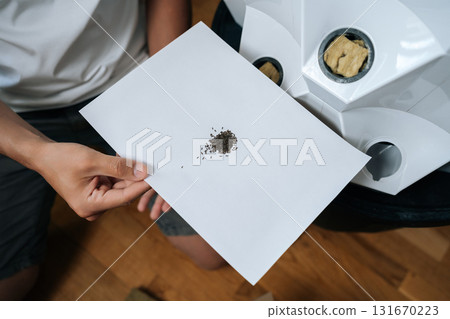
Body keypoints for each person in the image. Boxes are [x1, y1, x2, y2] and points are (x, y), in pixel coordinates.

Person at [0, 0, 225, 301]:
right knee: (9, 287)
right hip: (14, 114)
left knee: (212, 250)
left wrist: (169, 97)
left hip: (131, 72)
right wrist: (37, 154)